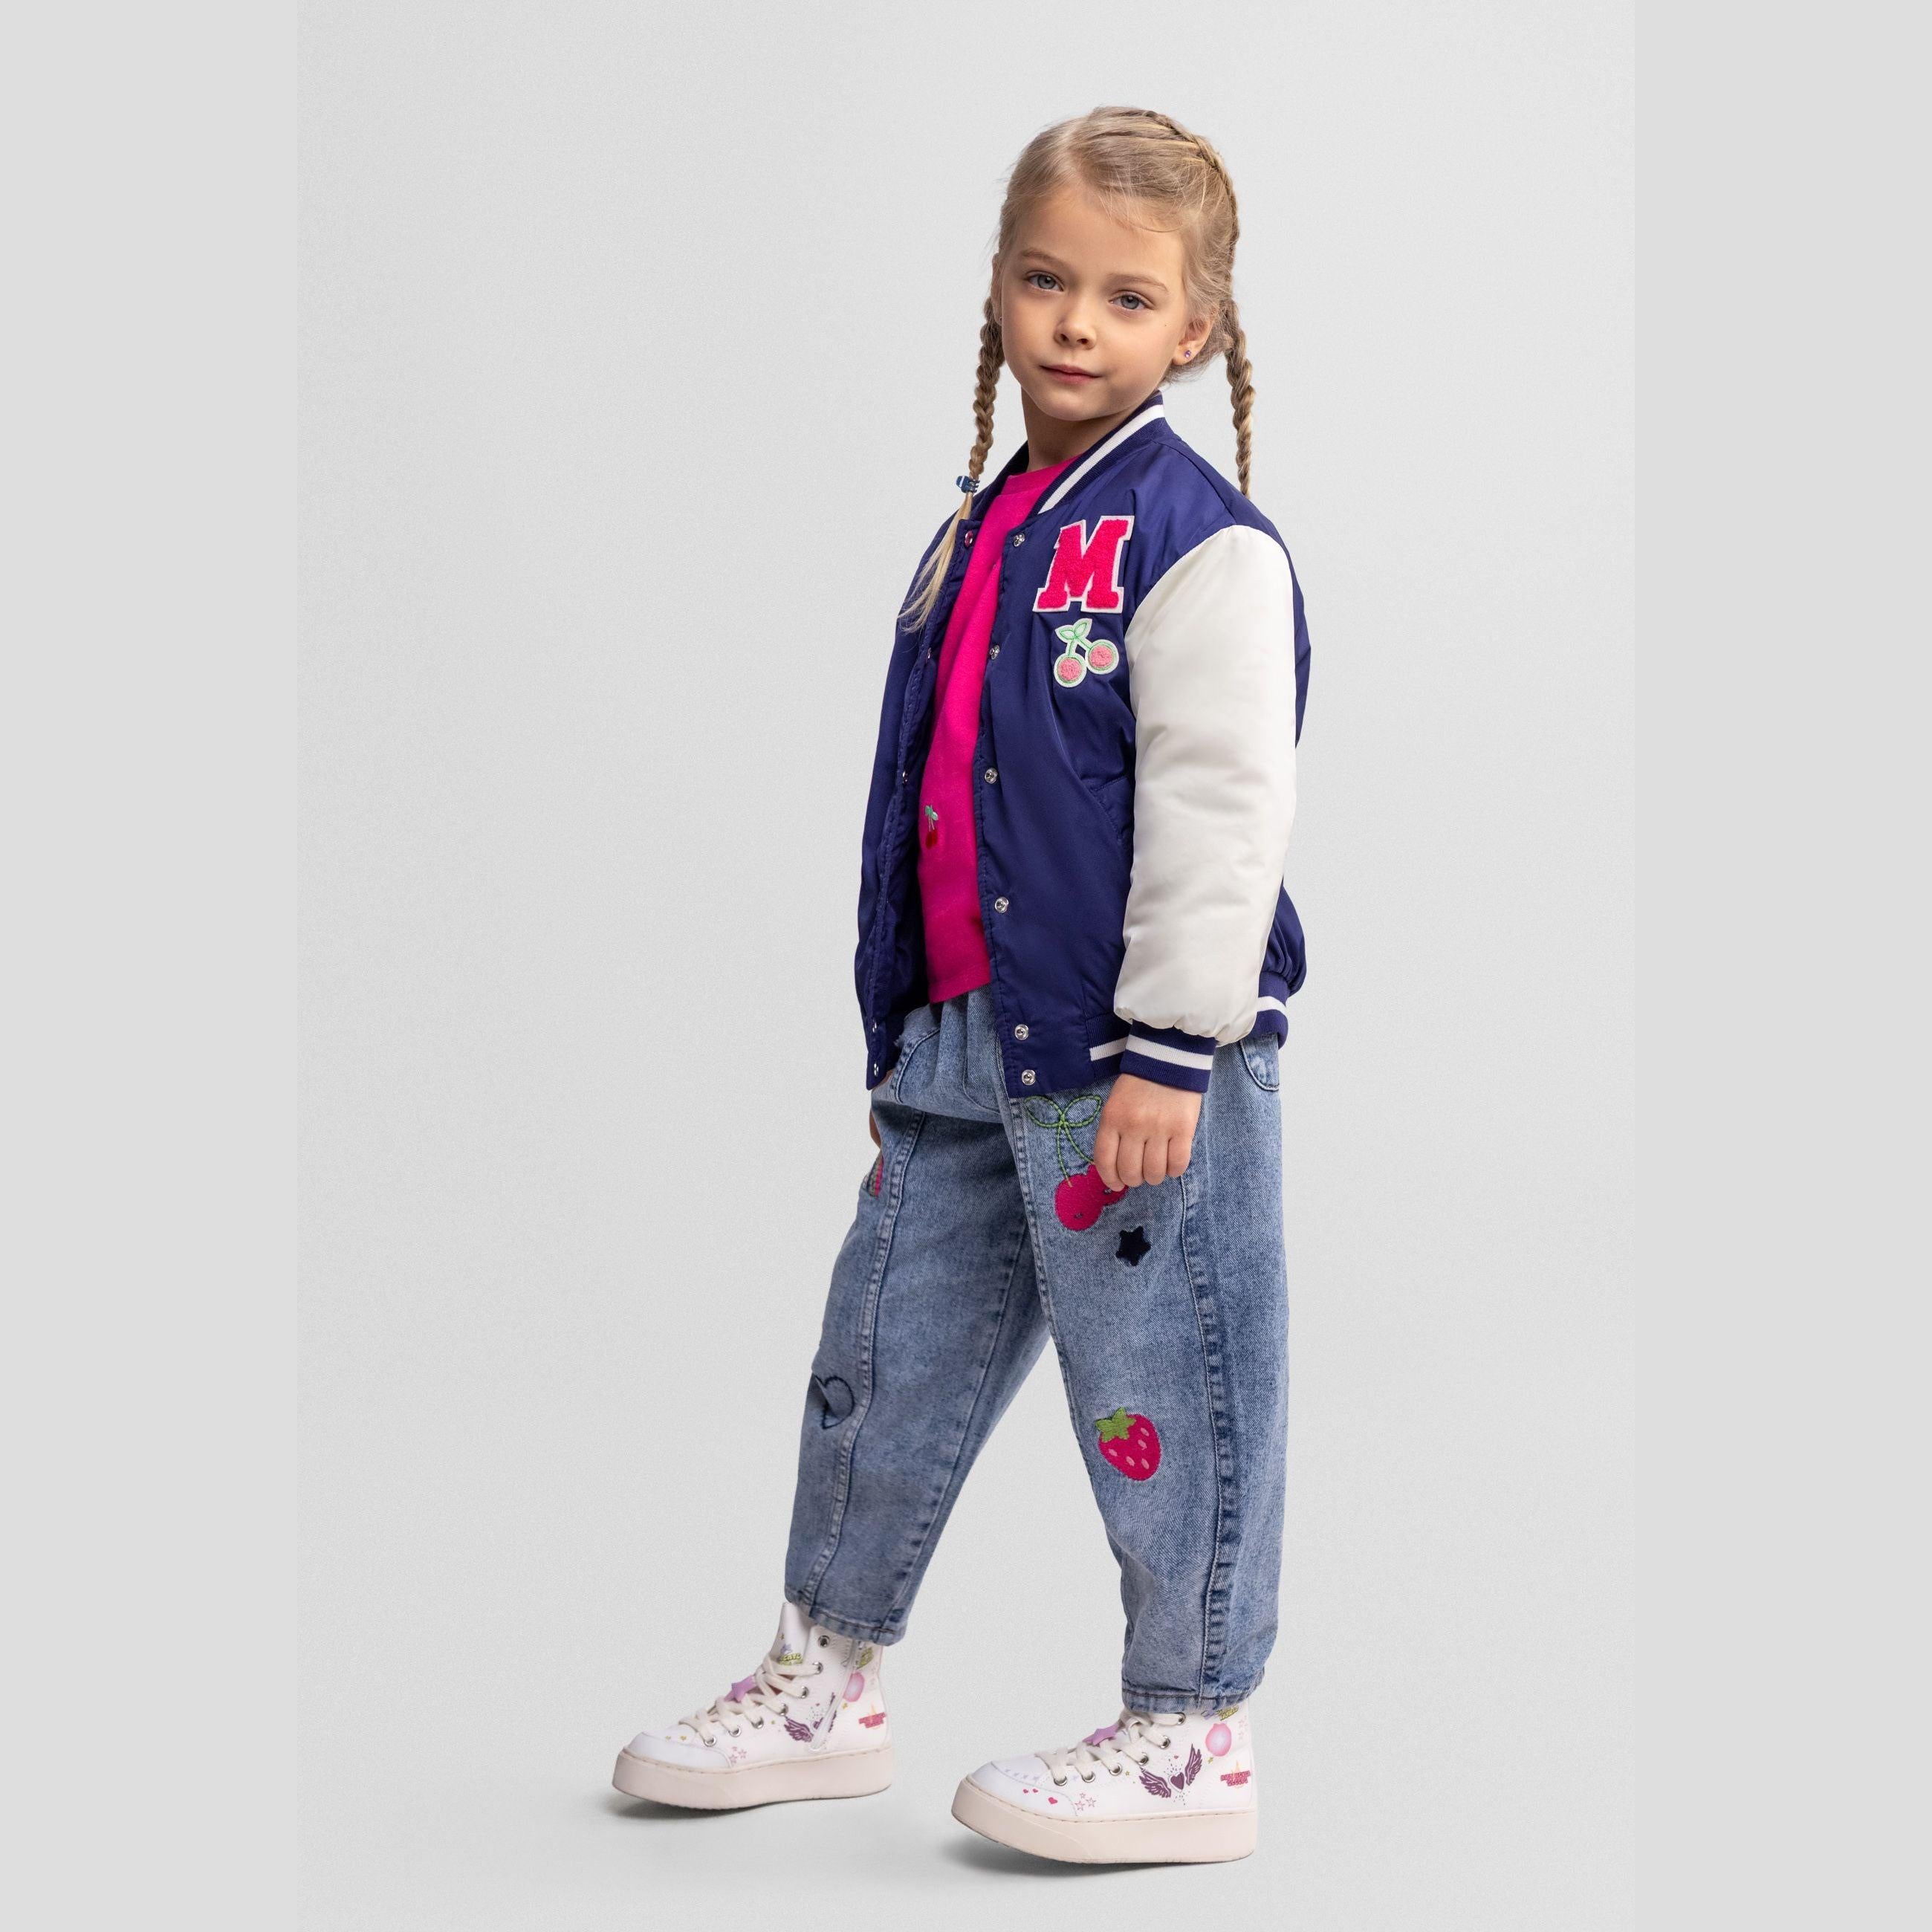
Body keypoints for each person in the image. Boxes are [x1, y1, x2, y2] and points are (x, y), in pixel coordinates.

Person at [612, 104, 1311, 1867]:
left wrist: (1172, 1048)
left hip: (1127, 1066)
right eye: (1044, 279)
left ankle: (1189, 1731)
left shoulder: (1198, 543)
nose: (1077, 323)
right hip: (955, 1041)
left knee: (1164, 1386)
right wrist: (892, 1016)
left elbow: (1222, 816)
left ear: (1196, 327)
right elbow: (922, 794)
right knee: (879, 1361)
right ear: (995, 290)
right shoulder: (977, 532)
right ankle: (824, 1677)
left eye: (1128, 298)